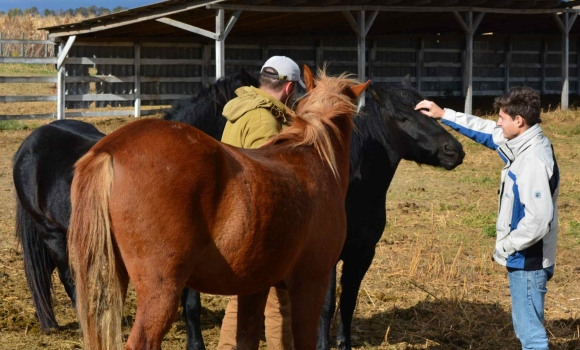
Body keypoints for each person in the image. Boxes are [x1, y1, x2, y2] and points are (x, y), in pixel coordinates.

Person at [415, 87, 559, 350]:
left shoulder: (533, 160)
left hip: (528, 260)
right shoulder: (523, 141)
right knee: (527, 327)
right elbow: (486, 131)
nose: (498, 122)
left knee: (531, 336)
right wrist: (443, 114)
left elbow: (538, 221)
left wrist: (506, 246)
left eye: (502, 118)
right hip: (528, 257)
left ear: (519, 121)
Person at [217, 56, 305, 349]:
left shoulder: (242, 109)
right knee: (279, 301)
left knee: (239, 301)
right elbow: (268, 183)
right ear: (290, 87)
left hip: (233, 219)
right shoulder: (265, 120)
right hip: (257, 225)